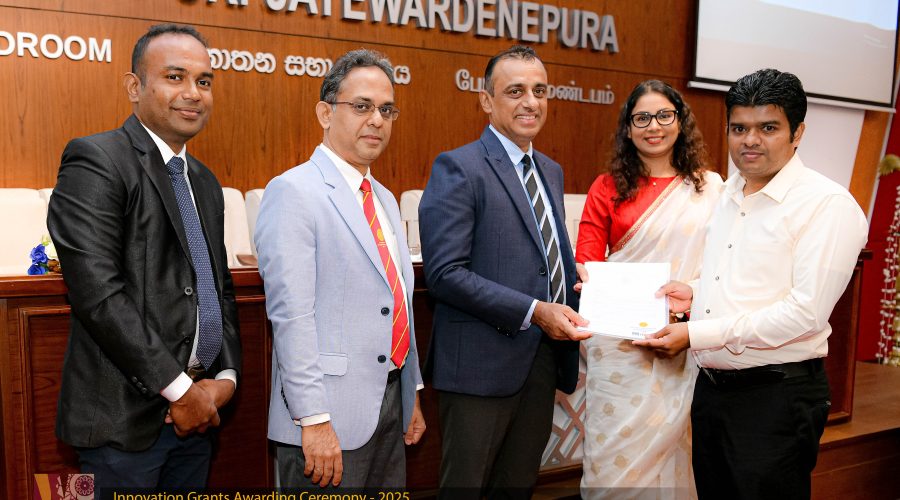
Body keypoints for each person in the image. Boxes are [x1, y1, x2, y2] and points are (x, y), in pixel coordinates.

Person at [636, 69, 868, 499]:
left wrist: (696, 334)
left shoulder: (827, 205)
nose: (750, 140)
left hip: (775, 397)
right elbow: (740, 278)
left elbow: (804, 313)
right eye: (739, 128)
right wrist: (695, 292)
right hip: (712, 391)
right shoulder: (729, 193)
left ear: (797, 133)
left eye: (768, 128)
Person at [47, 24, 242, 495]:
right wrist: (179, 389)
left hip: (198, 419)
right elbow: (98, 295)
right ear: (135, 87)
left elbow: (216, 287)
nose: (193, 93)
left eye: (204, 81)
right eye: (175, 77)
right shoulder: (97, 159)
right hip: (122, 428)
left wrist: (226, 377)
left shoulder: (204, 181)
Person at [419, 45, 590, 498]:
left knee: (517, 487)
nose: (530, 102)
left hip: (541, 363)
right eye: (515, 91)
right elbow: (445, 273)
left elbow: (543, 256)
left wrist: (575, 276)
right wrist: (534, 310)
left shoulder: (550, 170)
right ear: (486, 101)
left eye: (540, 91)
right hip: (480, 366)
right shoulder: (459, 167)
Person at [255, 49, 425, 490]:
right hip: (326, 418)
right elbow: (292, 317)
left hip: (388, 406)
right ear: (325, 113)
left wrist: (411, 393)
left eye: (386, 110)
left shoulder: (383, 198)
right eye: (362, 106)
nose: (377, 120)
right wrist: (313, 418)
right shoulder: (293, 191)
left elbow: (396, 301)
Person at [576, 80, 722, 499]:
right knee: (612, 457)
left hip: (681, 334)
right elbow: (587, 258)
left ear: (680, 121)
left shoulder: (711, 188)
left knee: (674, 444)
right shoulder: (607, 186)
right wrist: (591, 281)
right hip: (617, 344)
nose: (653, 126)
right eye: (641, 118)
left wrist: (691, 295)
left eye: (663, 115)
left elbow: (724, 263)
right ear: (628, 128)